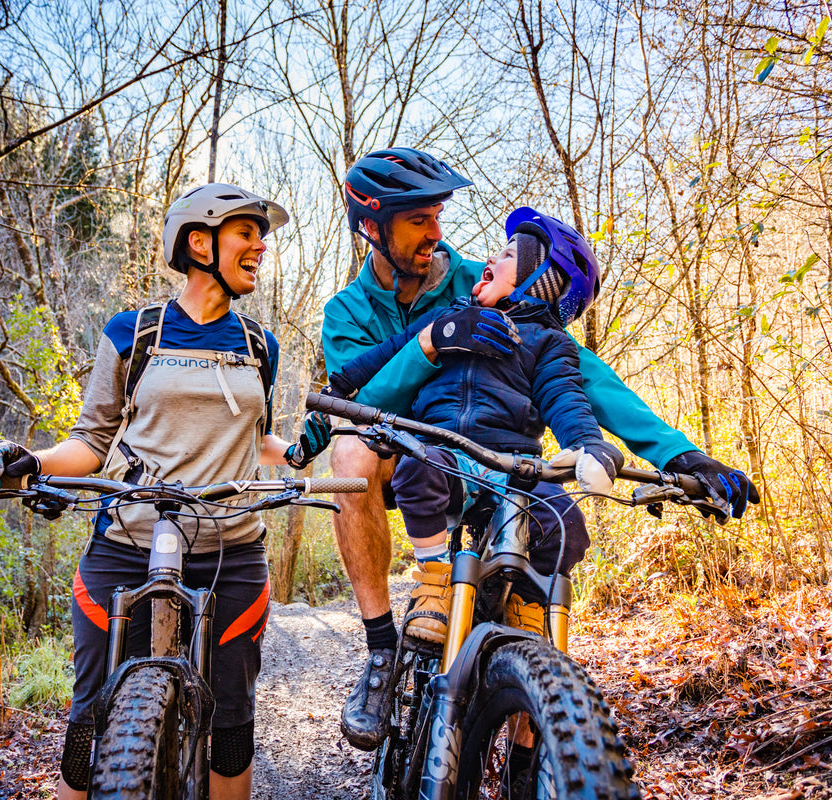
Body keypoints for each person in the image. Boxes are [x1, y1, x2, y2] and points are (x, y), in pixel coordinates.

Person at [322, 147, 761, 751]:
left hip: (503, 459)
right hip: (416, 455)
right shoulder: (346, 312)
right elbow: (354, 397)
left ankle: (541, 737)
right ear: (372, 226)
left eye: (438, 216)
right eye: (419, 220)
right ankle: (381, 650)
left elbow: (577, 376)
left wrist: (676, 455)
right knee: (350, 448)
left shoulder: (481, 283)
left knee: (554, 527)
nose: (437, 233)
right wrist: (430, 342)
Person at [0, 184, 332, 800]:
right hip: (129, 544)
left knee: (232, 725)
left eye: (261, 236)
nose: (261, 246)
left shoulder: (259, 345)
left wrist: (295, 454)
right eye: (247, 233)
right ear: (200, 242)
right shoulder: (133, 333)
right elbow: (91, 440)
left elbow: (255, 440)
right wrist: (28, 460)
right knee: (88, 725)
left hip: (232, 551)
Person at [328, 206, 629, 646]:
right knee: (418, 467)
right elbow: (394, 349)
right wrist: (346, 381)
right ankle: (433, 579)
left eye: (508, 255)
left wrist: (588, 445)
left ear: (536, 283)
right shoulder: (452, 316)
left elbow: (567, 399)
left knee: (565, 521)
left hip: (515, 467)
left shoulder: (548, 345)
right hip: (446, 451)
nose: (492, 257)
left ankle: (527, 607)